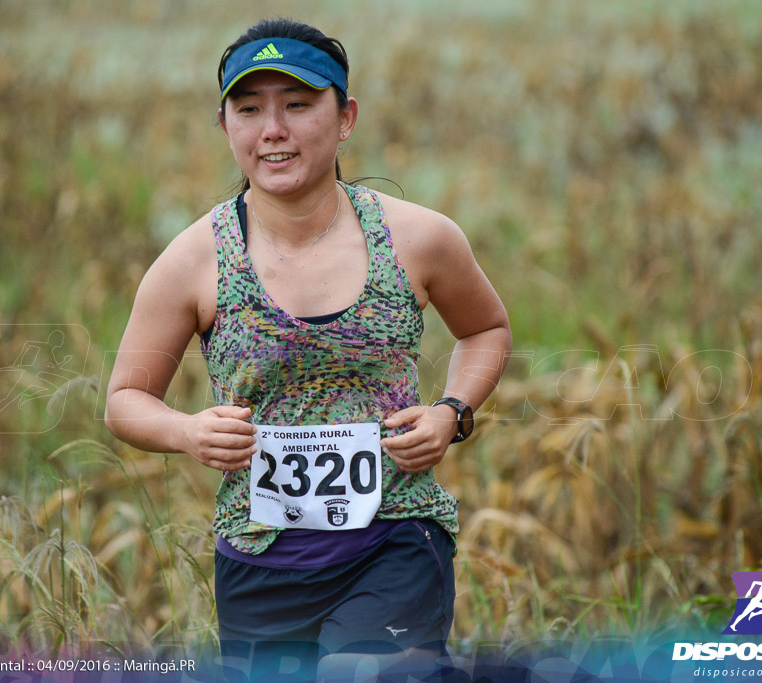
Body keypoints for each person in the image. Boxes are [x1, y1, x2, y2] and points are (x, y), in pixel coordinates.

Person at [104, 17, 511, 680]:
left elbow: (487, 330)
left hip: (396, 535)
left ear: (345, 116)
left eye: (298, 105)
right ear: (226, 122)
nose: (274, 130)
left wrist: (450, 413)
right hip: (258, 558)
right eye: (250, 109)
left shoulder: (418, 238)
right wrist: (187, 431)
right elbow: (124, 399)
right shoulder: (193, 260)